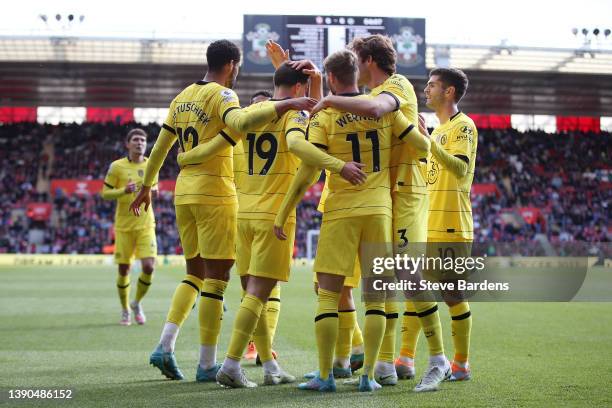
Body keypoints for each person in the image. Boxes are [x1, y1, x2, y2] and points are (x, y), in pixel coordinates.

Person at [129, 39, 316, 381]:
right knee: (216, 280)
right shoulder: (224, 96)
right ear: (231, 64)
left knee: (194, 273)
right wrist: (289, 102)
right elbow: (241, 122)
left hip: (183, 193)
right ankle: (207, 364)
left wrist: (147, 186)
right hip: (216, 193)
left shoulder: (181, 97)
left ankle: (166, 345)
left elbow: (160, 147)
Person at [176, 61, 365, 388]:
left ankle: (269, 367)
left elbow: (216, 146)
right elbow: (301, 141)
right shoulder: (294, 114)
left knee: (254, 294)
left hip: (242, 211)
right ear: (298, 89)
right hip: (273, 214)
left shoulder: (250, 114)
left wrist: (184, 158)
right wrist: (336, 164)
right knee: (258, 294)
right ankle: (232, 364)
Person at [274, 49, 430, 393]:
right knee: (375, 297)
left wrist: (336, 167)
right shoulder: (385, 110)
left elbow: (307, 166)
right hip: (379, 210)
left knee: (328, 295)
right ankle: (368, 376)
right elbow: (420, 146)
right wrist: (426, 135)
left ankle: (327, 375)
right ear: (357, 72)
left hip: (341, 209)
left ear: (330, 78)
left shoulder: (326, 115)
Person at [309, 34, 448, 391]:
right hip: (384, 193)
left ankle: (438, 359)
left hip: (406, 188)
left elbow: (375, 110)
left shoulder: (396, 85)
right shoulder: (367, 95)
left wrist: (326, 98)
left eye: (357, 56)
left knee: (406, 273)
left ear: (368, 59)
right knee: (383, 281)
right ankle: (384, 364)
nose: (354, 63)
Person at [421, 67, 477, 383]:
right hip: (429, 221)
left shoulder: (463, 127)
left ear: (449, 91)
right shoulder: (439, 130)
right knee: (417, 289)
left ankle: (462, 363)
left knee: (451, 292)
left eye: (432, 85)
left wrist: (429, 141)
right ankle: (402, 358)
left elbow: (457, 168)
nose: (426, 90)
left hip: (452, 224)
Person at [101, 128, 157, 326]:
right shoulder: (116, 166)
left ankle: (136, 303)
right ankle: (125, 309)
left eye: (143, 139)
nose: (140, 142)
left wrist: (149, 191)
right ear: (128, 144)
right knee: (124, 270)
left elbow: (155, 189)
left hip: (145, 225)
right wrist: (124, 190)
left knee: (149, 267)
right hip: (124, 226)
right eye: (135, 139)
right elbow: (105, 194)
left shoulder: (151, 163)